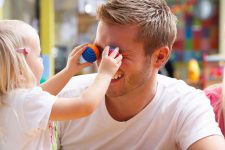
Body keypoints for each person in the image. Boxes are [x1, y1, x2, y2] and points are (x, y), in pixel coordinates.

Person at [57, 0, 225, 149]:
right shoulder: (66, 99)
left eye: (117, 54)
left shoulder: (184, 104)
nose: (104, 64)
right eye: (98, 50)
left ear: (159, 57)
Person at [0, 20, 122, 150]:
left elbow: (42, 92)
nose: (41, 60)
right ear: (20, 69)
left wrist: (69, 71)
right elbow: (84, 106)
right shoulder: (26, 103)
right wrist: (105, 74)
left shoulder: (12, 100)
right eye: (38, 56)